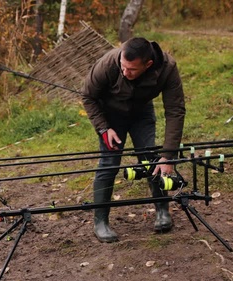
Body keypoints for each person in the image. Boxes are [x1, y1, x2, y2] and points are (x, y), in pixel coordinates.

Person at [82, 37, 186, 243]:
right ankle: (100, 222)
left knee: (150, 157)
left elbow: (175, 110)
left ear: (148, 65)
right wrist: (104, 128)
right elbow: (88, 96)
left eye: (131, 69)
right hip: (110, 117)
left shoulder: (167, 68)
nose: (125, 72)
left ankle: (162, 211)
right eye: (123, 66)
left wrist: (168, 156)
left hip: (141, 113)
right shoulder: (108, 64)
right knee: (109, 163)